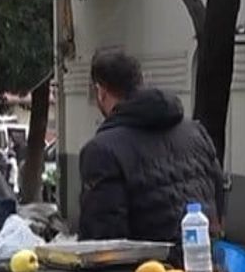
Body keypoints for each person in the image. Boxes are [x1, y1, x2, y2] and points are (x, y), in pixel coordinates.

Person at [79, 50, 225, 245]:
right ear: (140, 81)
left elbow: (103, 240)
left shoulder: (102, 151)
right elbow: (218, 198)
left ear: (101, 91)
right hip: (204, 264)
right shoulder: (196, 132)